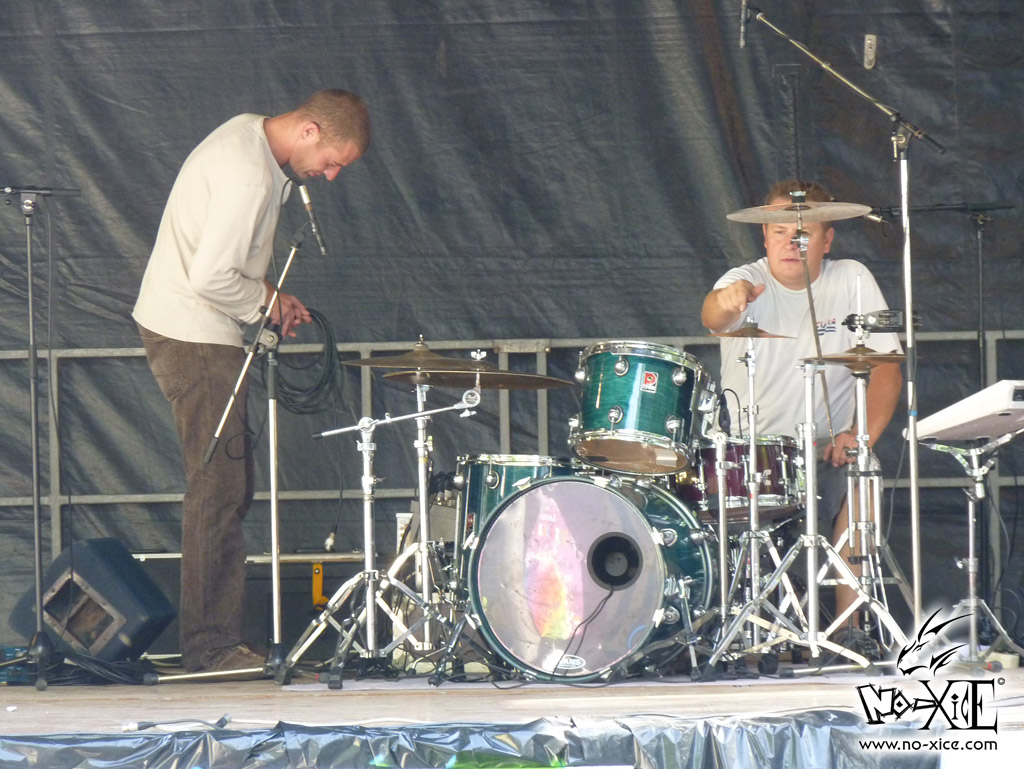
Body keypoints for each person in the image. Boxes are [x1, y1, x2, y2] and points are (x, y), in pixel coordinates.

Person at [133, 89, 370, 674]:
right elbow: (212, 276)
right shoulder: (251, 175)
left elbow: (224, 267)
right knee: (218, 488)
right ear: (310, 130)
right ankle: (210, 647)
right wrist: (266, 302)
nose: (331, 176)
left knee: (227, 487)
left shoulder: (249, 133)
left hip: (195, 328)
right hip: (193, 334)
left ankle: (214, 640)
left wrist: (268, 295)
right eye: (332, 161)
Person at [701, 178, 903, 648]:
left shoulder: (852, 279)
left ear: (827, 239)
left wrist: (859, 436)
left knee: (864, 473)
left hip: (826, 449)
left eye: (804, 232)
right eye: (779, 231)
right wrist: (726, 302)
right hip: (752, 454)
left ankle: (850, 631)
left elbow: (887, 369)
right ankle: (743, 636)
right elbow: (713, 316)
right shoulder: (741, 279)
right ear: (764, 235)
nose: (791, 242)